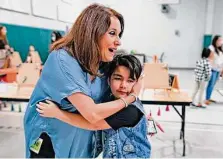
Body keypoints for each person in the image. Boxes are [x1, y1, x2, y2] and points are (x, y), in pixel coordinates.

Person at [24, 3, 142, 158]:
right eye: (112, 33)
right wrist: (132, 98)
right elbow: (92, 114)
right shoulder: (62, 60)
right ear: (93, 32)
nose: (118, 41)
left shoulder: (102, 64)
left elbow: (128, 76)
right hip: (50, 139)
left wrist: (141, 116)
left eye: (119, 34)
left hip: (82, 140)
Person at [36, 54, 151, 158]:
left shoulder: (130, 110)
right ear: (108, 80)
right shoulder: (110, 101)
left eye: (130, 81)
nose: (123, 85)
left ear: (137, 84)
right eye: (118, 78)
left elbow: (93, 124)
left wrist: (57, 113)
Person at [205, 35, 223, 105]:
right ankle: (207, 99)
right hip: (213, 69)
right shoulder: (211, 48)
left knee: (213, 85)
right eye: (219, 40)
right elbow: (209, 59)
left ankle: (208, 97)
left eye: (221, 40)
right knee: (211, 84)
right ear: (215, 41)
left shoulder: (220, 49)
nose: (221, 42)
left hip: (218, 70)